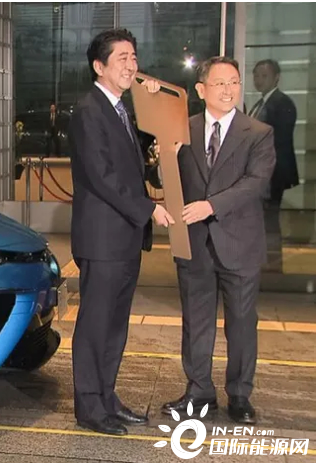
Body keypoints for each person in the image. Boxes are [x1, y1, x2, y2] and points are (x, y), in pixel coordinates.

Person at [149, 57, 275, 425]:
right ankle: (199, 391)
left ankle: (240, 394)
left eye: (234, 82)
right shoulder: (182, 129)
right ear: (201, 90)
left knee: (241, 324)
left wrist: (211, 206)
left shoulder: (259, 132)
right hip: (194, 243)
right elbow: (161, 179)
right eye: (220, 83)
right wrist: (165, 157)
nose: (228, 89)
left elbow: (256, 184)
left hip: (240, 243)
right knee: (196, 322)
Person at [68, 29, 174, 436]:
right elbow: (102, 176)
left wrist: (154, 107)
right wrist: (149, 209)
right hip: (103, 239)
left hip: (125, 237)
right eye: (122, 58)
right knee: (96, 325)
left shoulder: (121, 108)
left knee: (115, 326)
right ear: (99, 66)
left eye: (134, 56)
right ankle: (90, 407)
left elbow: (135, 165)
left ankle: (107, 398)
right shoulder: (89, 110)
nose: (132, 65)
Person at [249, 59, 298, 272]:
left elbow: (280, 142)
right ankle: (265, 264)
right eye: (256, 75)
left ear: (276, 77)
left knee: (269, 221)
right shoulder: (261, 103)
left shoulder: (282, 103)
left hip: (272, 174)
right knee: (264, 221)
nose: (259, 80)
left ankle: (272, 267)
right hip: (264, 173)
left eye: (264, 76)